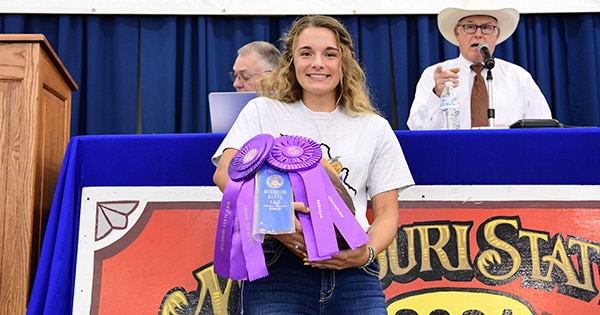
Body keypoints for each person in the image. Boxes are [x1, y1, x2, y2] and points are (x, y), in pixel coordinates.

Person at [212, 15, 414, 314]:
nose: (318, 63)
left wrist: (365, 253)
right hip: (279, 267)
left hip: (354, 272)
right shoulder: (262, 110)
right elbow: (225, 173)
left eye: (329, 54)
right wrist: (275, 219)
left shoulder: (375, 127)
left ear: (343, 63)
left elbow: (386, 211)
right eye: (306, 53)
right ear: (291, 62)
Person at [407, 0, 552, 129]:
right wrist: (437, 94)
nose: (478, 34)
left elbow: (544, 127)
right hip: (454, 156)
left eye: (487, 28)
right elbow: (416, 128)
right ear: (457, 33)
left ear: (497, 34)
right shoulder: (435, 76)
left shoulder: (519, 77)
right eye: (470, 27)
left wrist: (508, 133)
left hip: (506, 155)